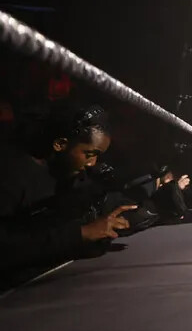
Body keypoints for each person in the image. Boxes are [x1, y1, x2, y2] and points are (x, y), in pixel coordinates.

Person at [0, 103, 136, 271]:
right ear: (60, 144)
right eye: (89, 154)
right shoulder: (13, 178)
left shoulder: (72, 175)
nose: (92, 163)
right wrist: (81, 234)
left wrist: (125, 218)